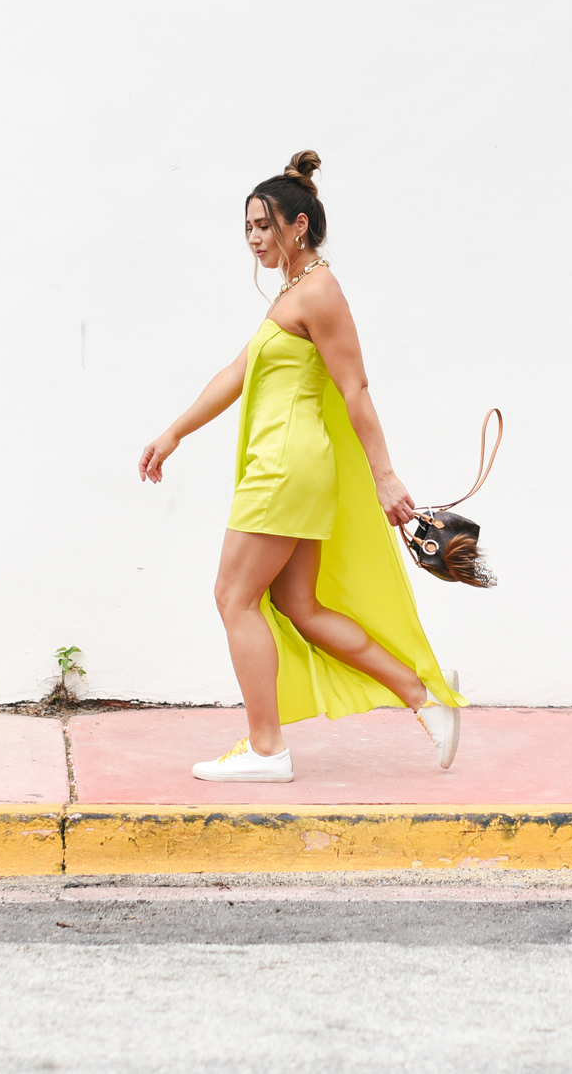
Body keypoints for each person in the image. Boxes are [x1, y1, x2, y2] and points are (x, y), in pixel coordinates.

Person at [139, 151, 465, 783]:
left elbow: (356, 390)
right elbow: (237, 373)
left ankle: (267, 749)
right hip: (289, 464)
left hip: (285, 467)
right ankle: (425, 698)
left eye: (264, 226)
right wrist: (174, 432)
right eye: (248, 229)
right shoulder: (294, 293)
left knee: (234, 597)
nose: (255, 239)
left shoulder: (319, 290)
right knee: (298, 606)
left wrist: (387, 475)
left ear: (299, 226)